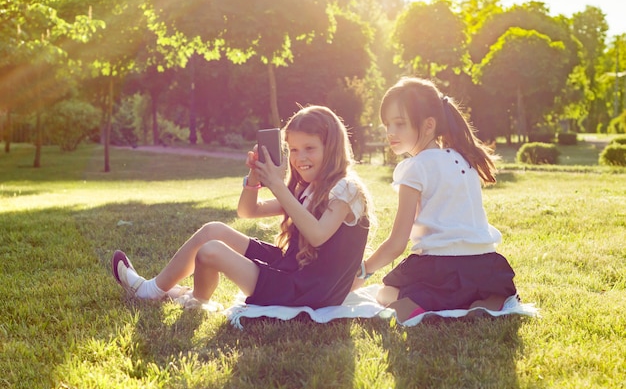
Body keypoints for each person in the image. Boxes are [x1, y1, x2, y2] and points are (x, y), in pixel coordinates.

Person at [112, 105, 373, 310]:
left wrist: (278, 185)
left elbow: (317, 235)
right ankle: (153, 290)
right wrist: (255, 179)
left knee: (211, 251)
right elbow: (248, 212)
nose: (299, 158)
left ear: (332, 147)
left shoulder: (346, 189)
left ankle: (196, 302)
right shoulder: (311, 188)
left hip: (307, 290)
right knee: (213, 230)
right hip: (292, 269)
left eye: (309, 148)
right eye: (293, 149)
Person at [352, 77, 517, 322]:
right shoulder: (465, 159)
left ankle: (420, 309)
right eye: (387, 124)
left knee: (385, 293)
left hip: (439, 267)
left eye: (399, 123)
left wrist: (363, 271)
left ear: (429, 125)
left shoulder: (414, 167)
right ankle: (487, 302)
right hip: (485, 267)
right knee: (463, 288)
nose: (390, 132)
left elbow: (397, 243)